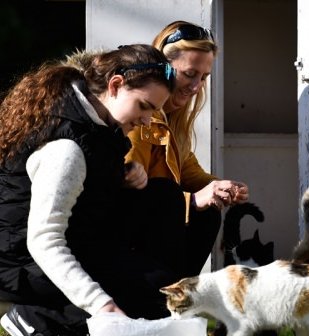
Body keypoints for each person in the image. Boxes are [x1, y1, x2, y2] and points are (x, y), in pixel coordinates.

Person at [0, 44, 178, 336]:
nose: (147, 120)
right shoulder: (65, 150)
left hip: (76, 239)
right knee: (152, 295)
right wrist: (103, 306)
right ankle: (38, 317)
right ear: (116, 85)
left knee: (162, 197)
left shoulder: (95, 122)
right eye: (145, 106)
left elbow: (89, 187)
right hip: (22, 265)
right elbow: (45, 241)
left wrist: (122, 175)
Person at [121, 21, 249, 279]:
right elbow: (125, 194)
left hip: (154, 229)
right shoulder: (140, 117)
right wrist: (192, 201)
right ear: (163, 68)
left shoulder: (173, 118)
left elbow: (187, 169)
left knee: (208, 211)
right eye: (190, 74)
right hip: (124, 234)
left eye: (204, 77)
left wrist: (219, 187)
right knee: (174, 195)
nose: (196, 86)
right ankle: (162, 296)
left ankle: (177, 294)